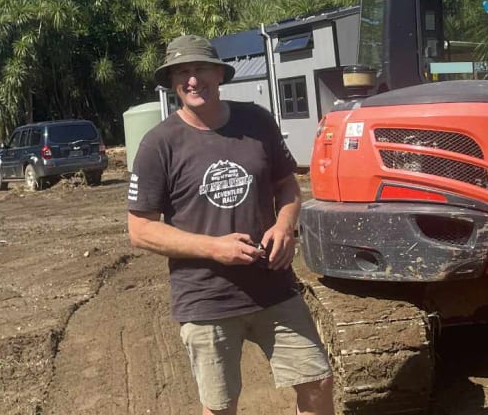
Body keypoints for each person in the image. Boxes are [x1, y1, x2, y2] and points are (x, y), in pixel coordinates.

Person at [127, 34, 334, 415]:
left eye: (200, 69)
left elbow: (287, 185)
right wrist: (213, 247)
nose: (192, 80)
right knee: (221, 406)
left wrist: (285, 225)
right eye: (182, 72)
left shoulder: (256, 121)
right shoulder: (159, 144)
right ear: (172, 82)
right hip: (206, 298)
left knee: (317, 381)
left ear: (219, 74)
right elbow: (140, 229)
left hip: (273, 285)